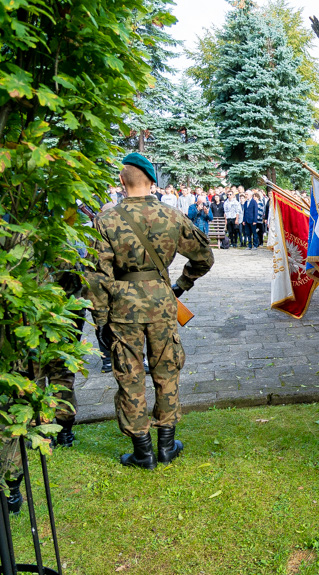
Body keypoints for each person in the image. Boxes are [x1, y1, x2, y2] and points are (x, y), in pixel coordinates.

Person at [85, 153, 213, 469]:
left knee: (129, 376)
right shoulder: (172, 215)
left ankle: (143, 453)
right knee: (166, 370)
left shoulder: (106, 220)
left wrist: (100, 319)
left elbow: (97, 275)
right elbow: (205, 257)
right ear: (153, 181)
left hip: (122, 308)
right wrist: (181, 285)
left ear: (121, 181)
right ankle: (167, 446)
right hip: (162, 303)